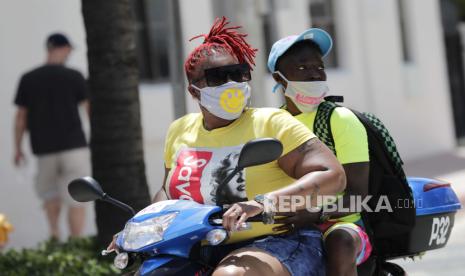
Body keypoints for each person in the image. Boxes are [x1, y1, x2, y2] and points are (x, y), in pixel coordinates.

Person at [149, 17, 346, 276]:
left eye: (239, 73)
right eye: (218, 77)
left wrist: (263, 203)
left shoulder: (271, 122)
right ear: (194, 91)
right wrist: (143, 228)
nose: (232, 83)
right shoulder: (180, 129)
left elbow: (333, 176)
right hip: (199, 248)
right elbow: (167, 190)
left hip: (279, 242)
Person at [267, 29, 372, 276]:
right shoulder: (271, 123)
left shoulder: (339, 119)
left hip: (341, 224)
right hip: (289, 222)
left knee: (340, 243)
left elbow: (360, 197)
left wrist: (315, 214)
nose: (315, 73)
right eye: (302, 68)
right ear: (279, 78)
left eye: (319, 66)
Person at [13, 33, 90, 240]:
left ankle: (55, 237)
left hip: (44, 149)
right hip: (75, 147)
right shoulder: (74, 75)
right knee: (77, 197)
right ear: (62, 48)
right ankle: (76, 242)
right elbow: (89, 109)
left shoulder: (28, 78)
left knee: (50, 195)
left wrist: (18, 148)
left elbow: (21, 118)